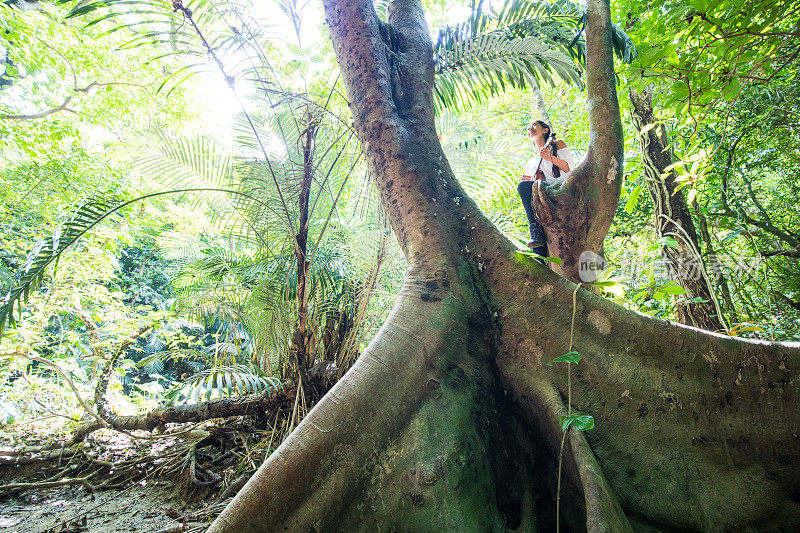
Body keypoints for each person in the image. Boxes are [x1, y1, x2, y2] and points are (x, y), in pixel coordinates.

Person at [517, 120, 575, 256]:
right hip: (543, 198)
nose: (530, 129)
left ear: (545, 130)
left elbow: (570, 169)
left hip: (560, 189)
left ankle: (535, 230)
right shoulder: (531, 162)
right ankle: (539, 252)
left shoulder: (557, 145)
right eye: (528, 128)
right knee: (523, 186)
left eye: (534, 126)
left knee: (524, 186)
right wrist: (528, 180)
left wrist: (550, 158)